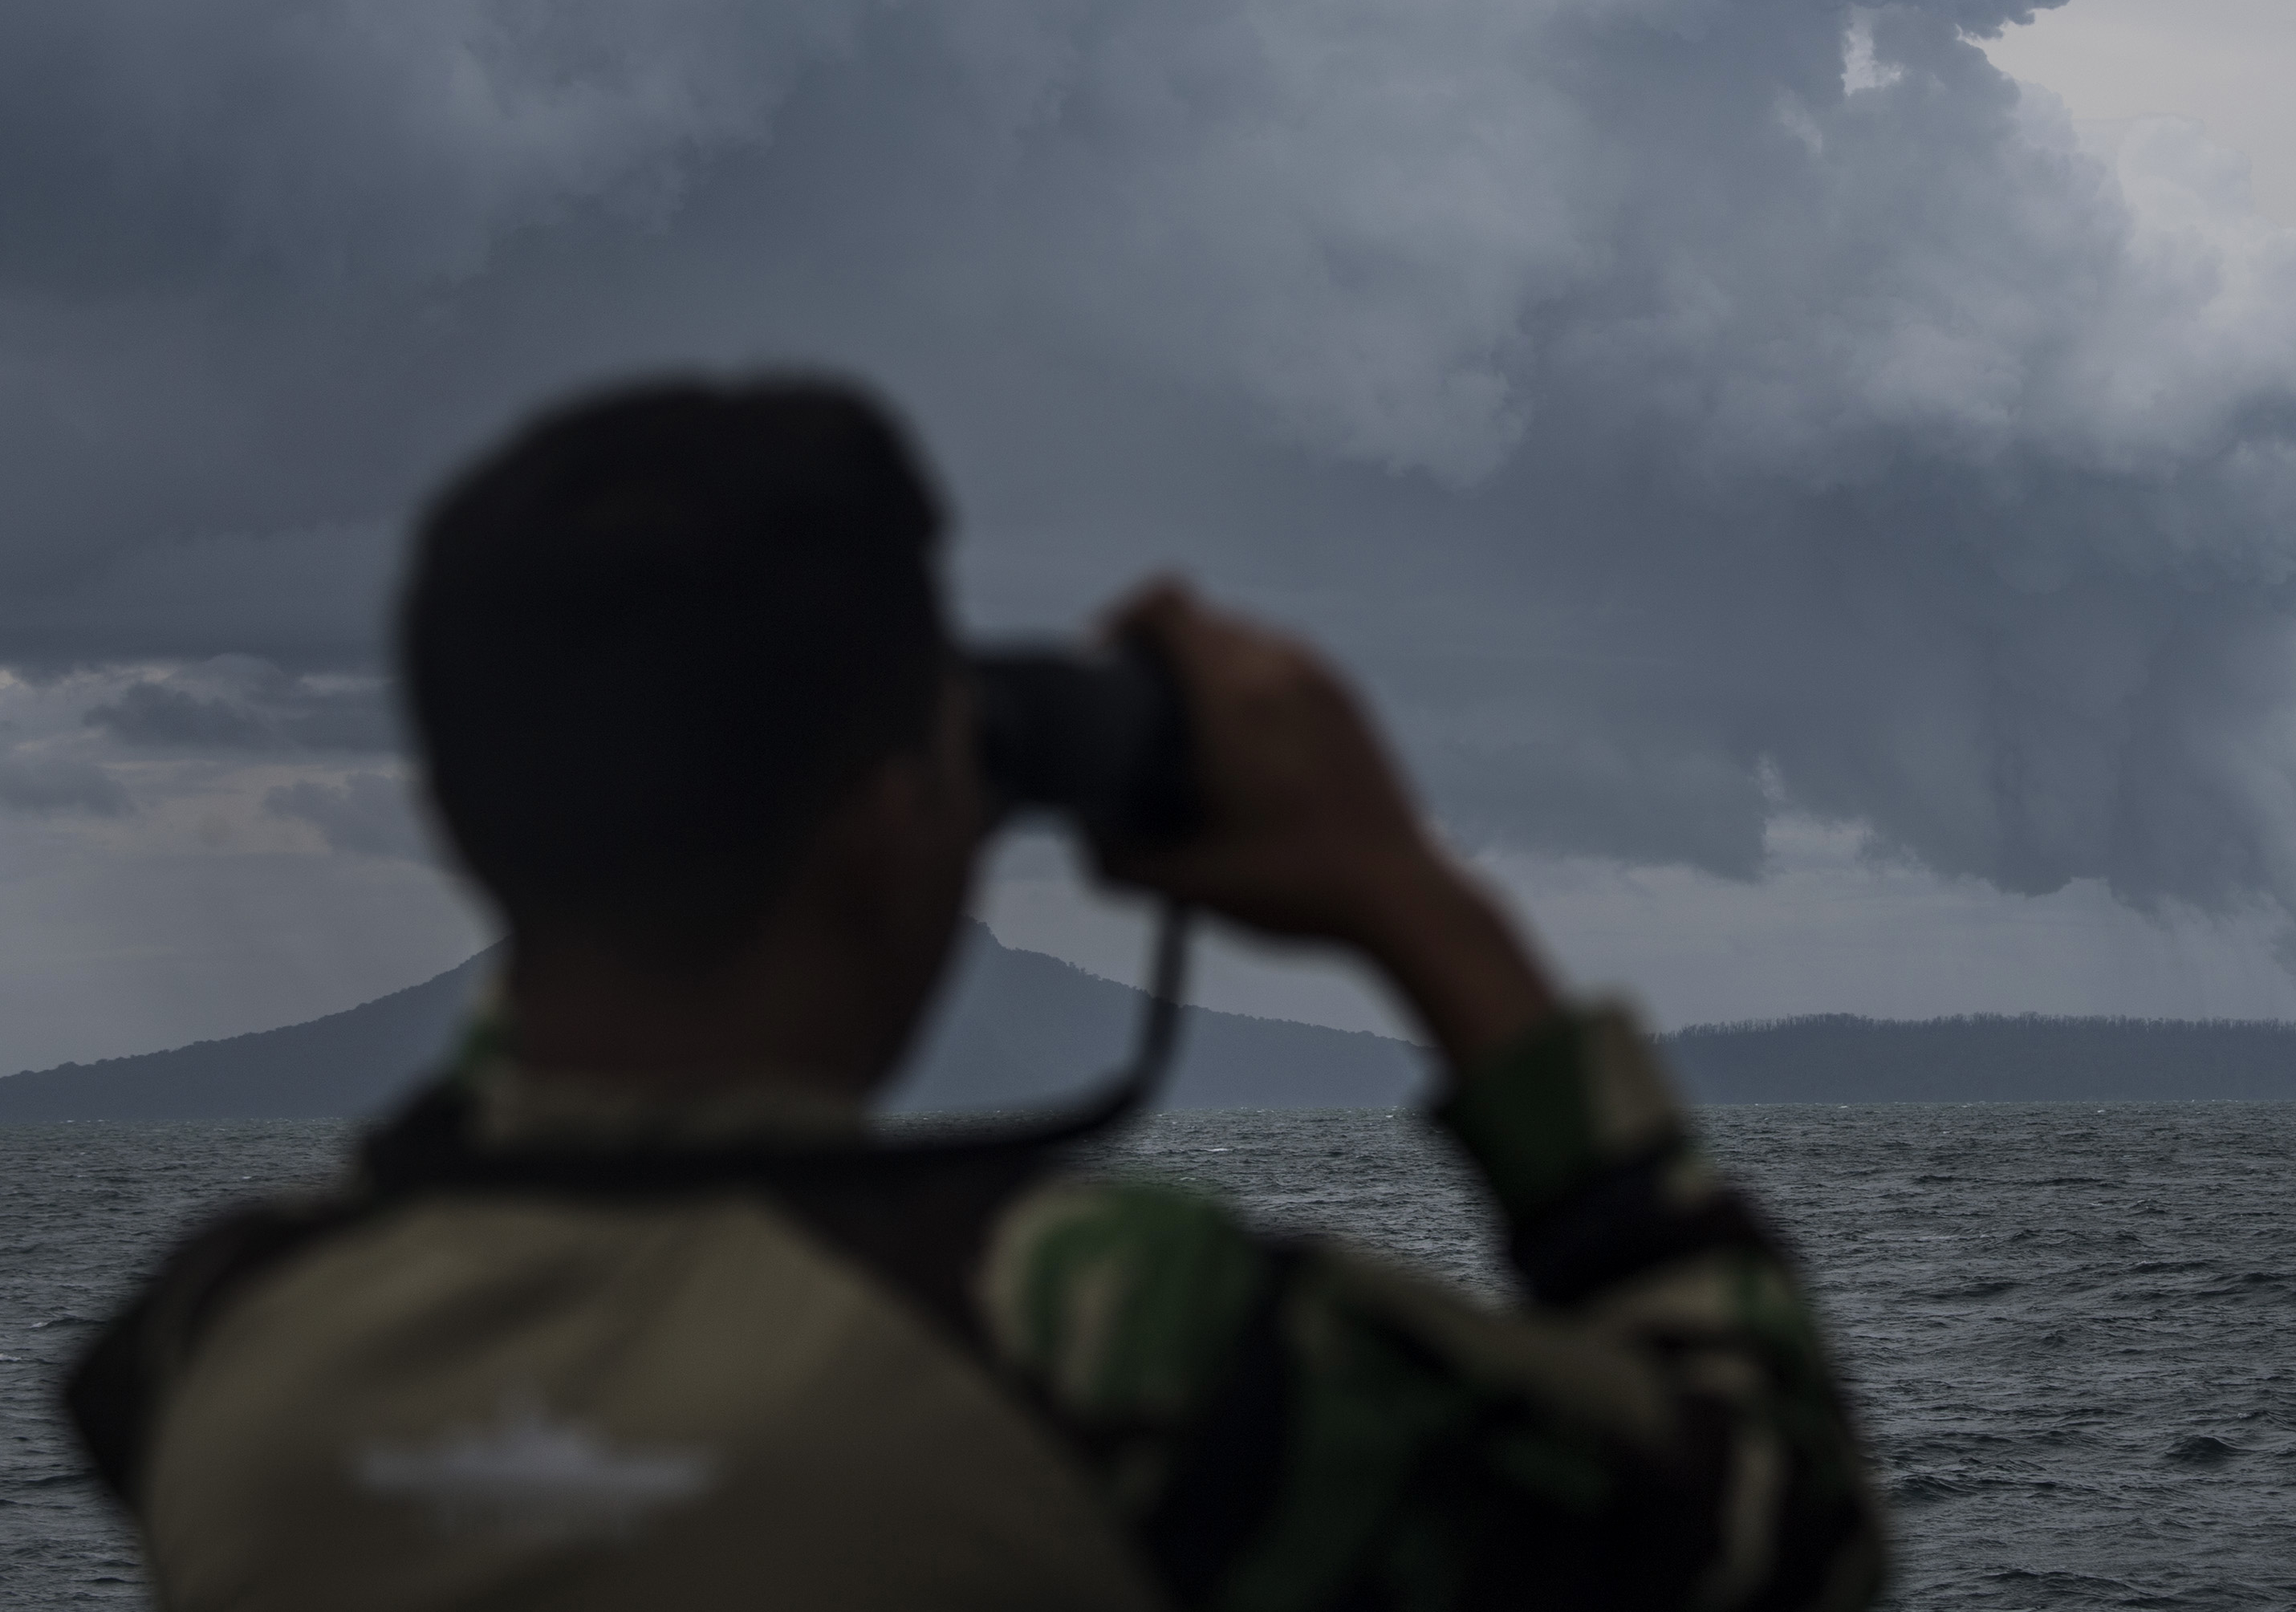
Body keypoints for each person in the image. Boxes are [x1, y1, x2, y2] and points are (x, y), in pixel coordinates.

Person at [65, 378, 1887, 1611]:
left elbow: (522, 1146)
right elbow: (1777, 1527)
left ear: (463, 811)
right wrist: (1409, 896)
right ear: (889, 825)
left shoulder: (204, 1343)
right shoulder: (1108, 1338)